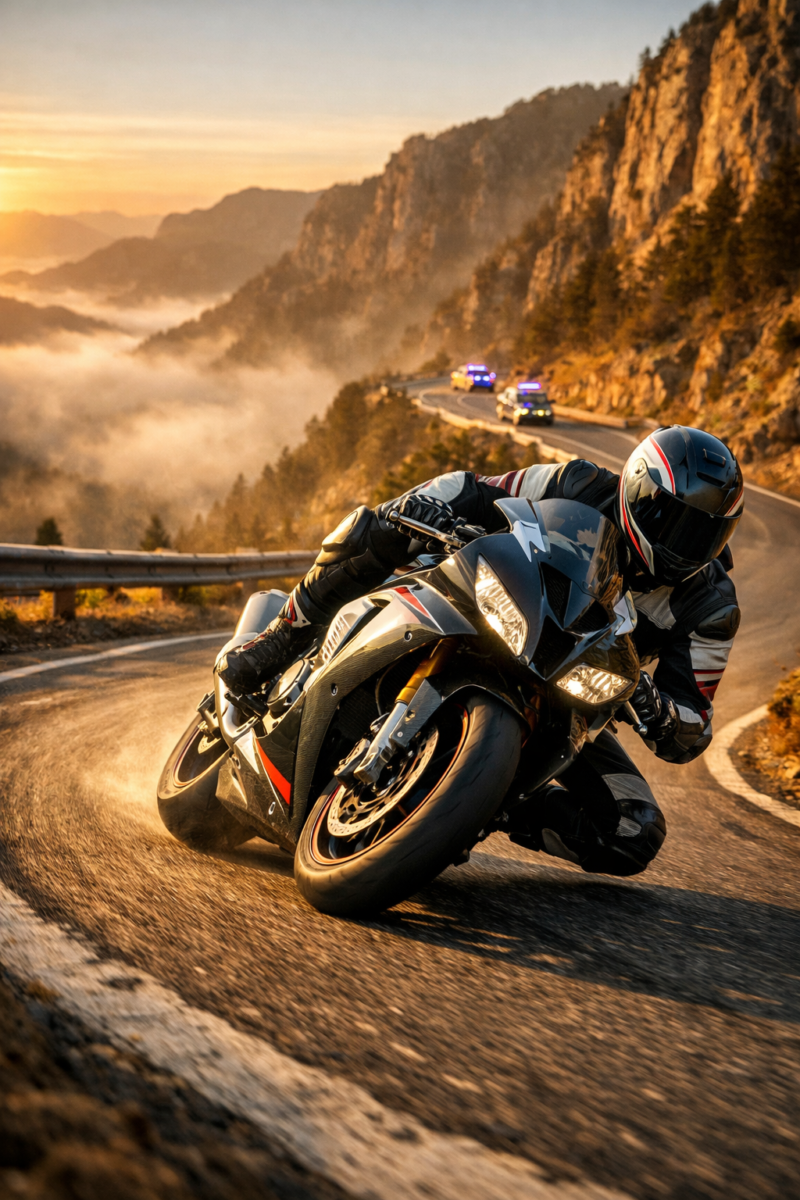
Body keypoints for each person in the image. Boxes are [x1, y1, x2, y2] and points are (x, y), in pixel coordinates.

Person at [218, 425, 743, 877]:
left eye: (704, 535)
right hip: (493, 606)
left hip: (571, 696)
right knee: (374, 527)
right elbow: (480, 489)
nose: (683, 544)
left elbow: (693, 723)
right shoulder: (577, 483)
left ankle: (483, 801)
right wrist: (425, 505)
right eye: (670, 520)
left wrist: (659, 711)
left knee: (635, 829)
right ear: (637, 489)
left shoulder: (712, 608)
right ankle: (284, 633)